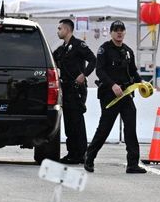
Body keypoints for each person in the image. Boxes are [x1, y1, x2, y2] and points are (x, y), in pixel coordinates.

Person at [84, 20, 146, 174]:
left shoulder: (128, 51)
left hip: (125, 94)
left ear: (124, 32)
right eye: (116, 30)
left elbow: (133, 72)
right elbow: (99, 71)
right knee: (104, 128)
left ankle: (132, 164)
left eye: (121, 30)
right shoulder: (104, 50)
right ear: (111, 33)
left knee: (130, 128)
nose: (119, 33)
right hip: (109, 95)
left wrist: (142, 83)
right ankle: (89, 158)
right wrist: (112, 85)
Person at [52, 18, 96, 165]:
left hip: (76, 89)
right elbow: (52, 58)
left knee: (77, 122)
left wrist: (83, 75)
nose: (58, 31)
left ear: (67, 30)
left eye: (60, 29)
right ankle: (72, 153)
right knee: (69, 123)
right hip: (66, 89)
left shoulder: (78, 45)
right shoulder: (63, 48)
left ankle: (81, 154)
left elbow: (93, 60)